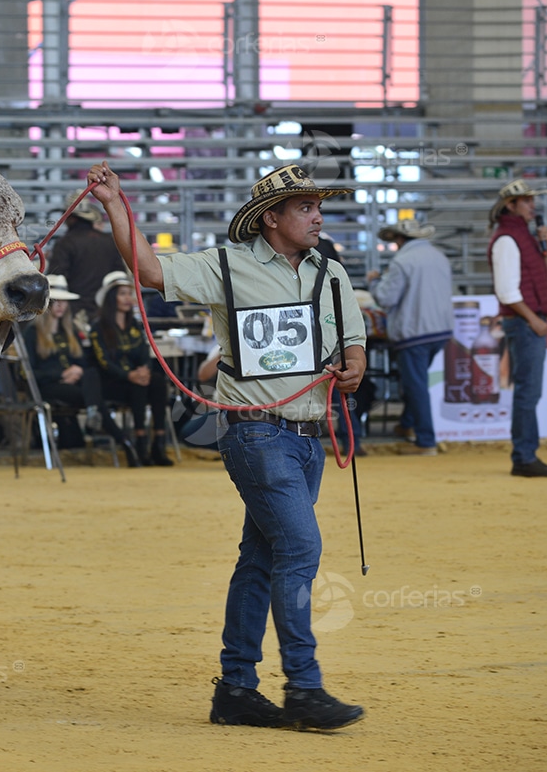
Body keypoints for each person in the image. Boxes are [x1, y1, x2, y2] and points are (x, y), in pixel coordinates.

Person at [87, 162, 368, 731]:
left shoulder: (331, 274)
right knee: (299, 549)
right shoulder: (225, 265)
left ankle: (236, 688)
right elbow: (146, 270)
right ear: (271, 218)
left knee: (261, 560)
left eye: (318, 206)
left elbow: (353, 340)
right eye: (305, 207)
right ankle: (304, 688)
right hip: (257, 431)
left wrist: (354, 366)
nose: (318, 216)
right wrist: (116, 205)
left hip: (309, 435)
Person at [23, 275, 139, 465]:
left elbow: (84, 364)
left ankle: (106, 423)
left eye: (64, 301)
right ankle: (121, 438)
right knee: (94, 394)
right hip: (48, 387)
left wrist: (76, 372)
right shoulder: (32, 333)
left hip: (77, 386)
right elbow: (27, 373)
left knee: (91, 375)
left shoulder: (70, 330)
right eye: (55, 300)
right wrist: (61, 374)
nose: (60, 305)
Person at [488, 179, 547, 478]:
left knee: (529, 390)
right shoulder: (508, 238)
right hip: (525, 322)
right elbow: (507, 292)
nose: (533, 206)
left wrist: (546, 247)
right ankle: (524, 455)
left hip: (526, 321)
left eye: (532, 200)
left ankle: (526, 453)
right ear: (511, 205)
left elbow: (545, 273)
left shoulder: (518, 236)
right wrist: (534, 319)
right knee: (529, 391)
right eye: (526, 201)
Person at [366, 219, 454, 456]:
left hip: (415, 331)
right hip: (441, 330)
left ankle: (426, 441)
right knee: (416, 382)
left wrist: (374, 281)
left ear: (400, 239)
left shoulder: (402, 261)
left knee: (415, 386)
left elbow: (386, 298)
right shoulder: (439, 257)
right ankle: (406, 425)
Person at [89, 271, 173, 467]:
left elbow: (145, 350)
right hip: (113, 382)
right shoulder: (98, 328)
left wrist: (143, 370)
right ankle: (140, 442)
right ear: (112, 298)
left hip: (136, 379)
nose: (129, 298)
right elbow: (104, 363)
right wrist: (130, 375)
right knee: (139, 386)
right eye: (123, 294)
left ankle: (158, 441)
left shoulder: (134, 324)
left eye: (129, 293)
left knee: (157, 381)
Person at [47, 190, 126, 325]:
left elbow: (57, 277)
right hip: (106, 312)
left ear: (71, 218)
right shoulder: (109, 241)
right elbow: (119, 276)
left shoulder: (65, 243)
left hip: (73, 312)